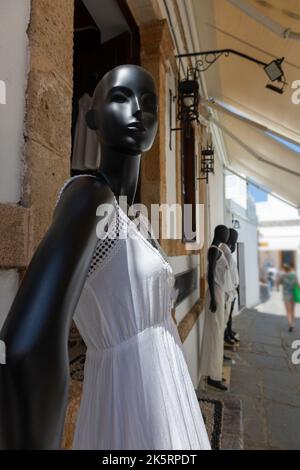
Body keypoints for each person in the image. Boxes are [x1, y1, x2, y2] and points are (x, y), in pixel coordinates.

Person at [0, 65, 210, 450]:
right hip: (126, 404)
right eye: (120, 98)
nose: (137, 112)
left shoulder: (135, 217)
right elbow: (26, 346)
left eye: (148, 103)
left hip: (167, 397)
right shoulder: (88, 196)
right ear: (92, 117)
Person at [199, 225, 232, 392]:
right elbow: (210, 275)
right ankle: (213, 376)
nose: (227, 234)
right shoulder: (214, 250)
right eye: (225, 232)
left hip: (217, 293)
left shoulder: (217, 250)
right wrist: (212, 297)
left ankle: (214, 373)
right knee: (215, 334)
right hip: (215, 295)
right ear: (220, 233)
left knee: (217, 334)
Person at [277, 264, 299, 332]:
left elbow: (277, 283)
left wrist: (277, 287)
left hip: (286, 295)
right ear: (290, 269)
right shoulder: (294, 275)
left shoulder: (282, 276)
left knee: (288, 311)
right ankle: (293, 323)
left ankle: (290, 324)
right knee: (292, 310)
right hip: (293, 294)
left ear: (284, 269)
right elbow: (298, 285)